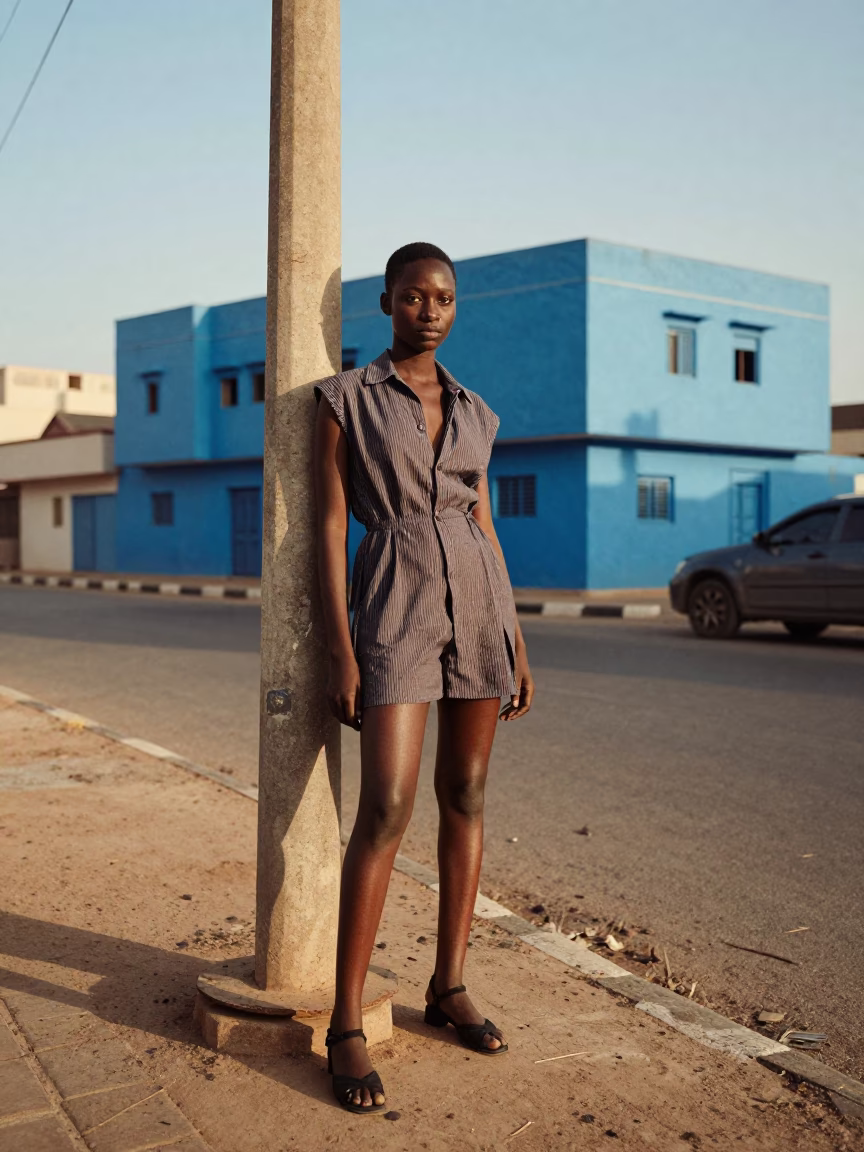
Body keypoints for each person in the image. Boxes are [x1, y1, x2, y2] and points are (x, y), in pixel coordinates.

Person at [313, 242, 534, 1114]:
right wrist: (340, 648)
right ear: (387, 303)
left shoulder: (479, 412)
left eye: (443, 297)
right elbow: (331, 528)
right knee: (387, 808)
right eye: (413, 296)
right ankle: (344, 1022)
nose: (430, 310)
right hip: (394, 604)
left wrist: (515, 635)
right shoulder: (346, 402)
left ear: (454, 307)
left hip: (479, 606)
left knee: (468, 795)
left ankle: (448, 985)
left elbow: (483, 522)